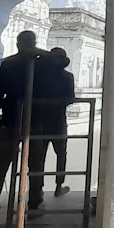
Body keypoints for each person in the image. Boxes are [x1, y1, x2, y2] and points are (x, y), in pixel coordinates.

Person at [0, 30, 43, 228]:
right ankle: (34, 204)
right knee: (35, 165)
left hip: (9, 120)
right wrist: (38, 52)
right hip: (33, 121)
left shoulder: (7, 64)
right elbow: (62, 61)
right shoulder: (40, 63)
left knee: (0, 169)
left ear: (17, 44)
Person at [34, 47, 77, 198]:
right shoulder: (67, 77)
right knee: (61, 153)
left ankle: (37, 188)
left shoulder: (40, 77)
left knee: (39, 155)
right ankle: (59, 185)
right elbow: (71, 98)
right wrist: (59, 103)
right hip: (58, 120)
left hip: (40, 120)